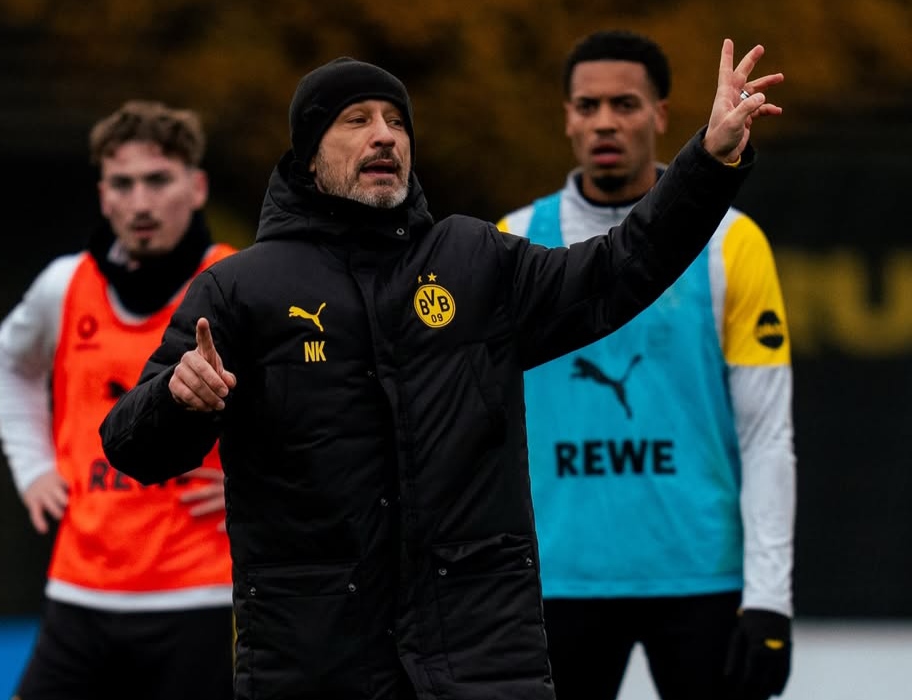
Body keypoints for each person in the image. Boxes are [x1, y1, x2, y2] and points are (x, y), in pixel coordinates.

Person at [100, 40, 783, 700]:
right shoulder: (239, 290)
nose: (385, 136)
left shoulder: (475, 259)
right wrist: (177, 401)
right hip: (312, 662)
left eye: (397, 122)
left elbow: (618, 269)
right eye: (357, 121)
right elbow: (132, 447)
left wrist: (709, 162)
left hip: (479, 656)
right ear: (308, 155)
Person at [497, 30, 795, 700]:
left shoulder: (733, 242)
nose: (605, 121)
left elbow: (767, 435)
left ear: (661, 114)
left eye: (625, 104)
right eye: (588, 105)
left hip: (702, 580)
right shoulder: (509, 241)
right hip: (552, 581)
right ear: (567, 117)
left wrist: (770, 598)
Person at [0, 100, 238, 700]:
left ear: (197, 188)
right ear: (103, 197)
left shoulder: (236, 284)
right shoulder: (65, 284)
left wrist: (264, 484)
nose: (141, 202)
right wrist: (33, 467)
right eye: (123, 184)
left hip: (202, 593)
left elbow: (315, 406)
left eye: (159, 179)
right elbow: (6, 362)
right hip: (80, 588)